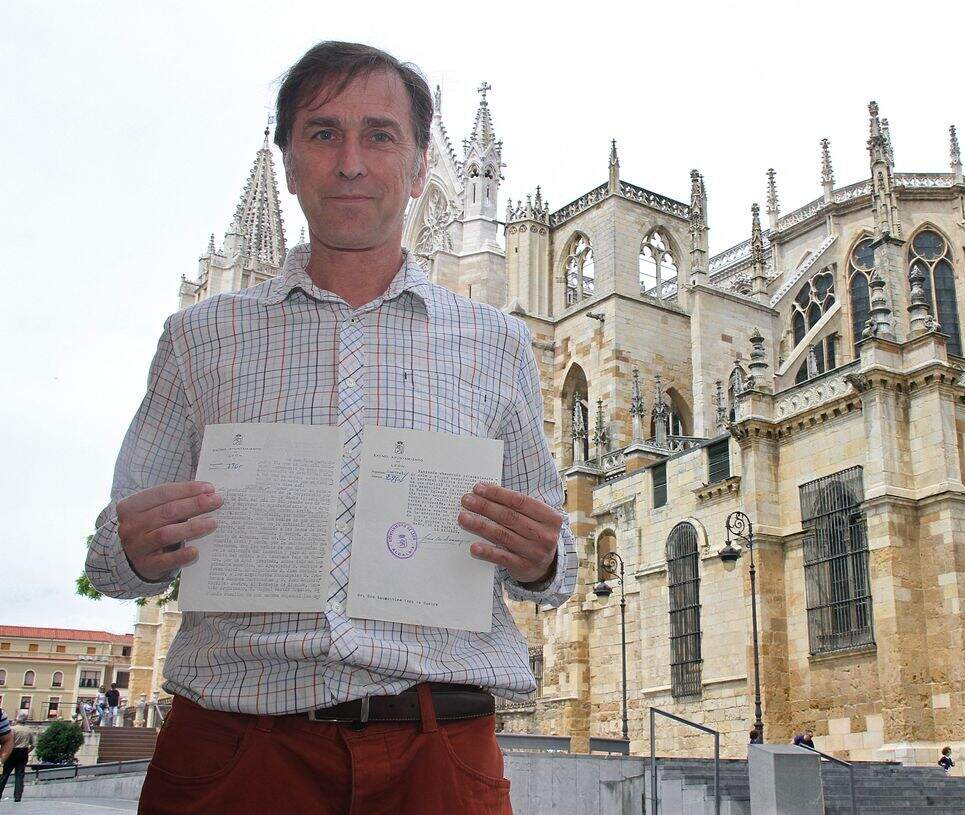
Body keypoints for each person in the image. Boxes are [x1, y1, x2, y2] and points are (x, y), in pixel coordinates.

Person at [82, 41, 576, 815]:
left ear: (421, 172)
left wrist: (543, 558)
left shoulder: (500, 339)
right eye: (322, 133)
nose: (351, 161)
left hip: (437, 749)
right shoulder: (199, 336)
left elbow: (560, 561)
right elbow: (112, 560)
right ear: (288, 164)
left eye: (380, 135)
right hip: (237, 752)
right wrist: (132, 547)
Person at [0, 711, 34, 802]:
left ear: (17, 719)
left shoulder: (13, 729)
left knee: (5, 774)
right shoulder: (29, 730)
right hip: (23, 753)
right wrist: (27, 751)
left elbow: (8, 742)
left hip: (13, 751)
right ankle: (18, 797)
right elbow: (33, 744)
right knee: (20, 775)